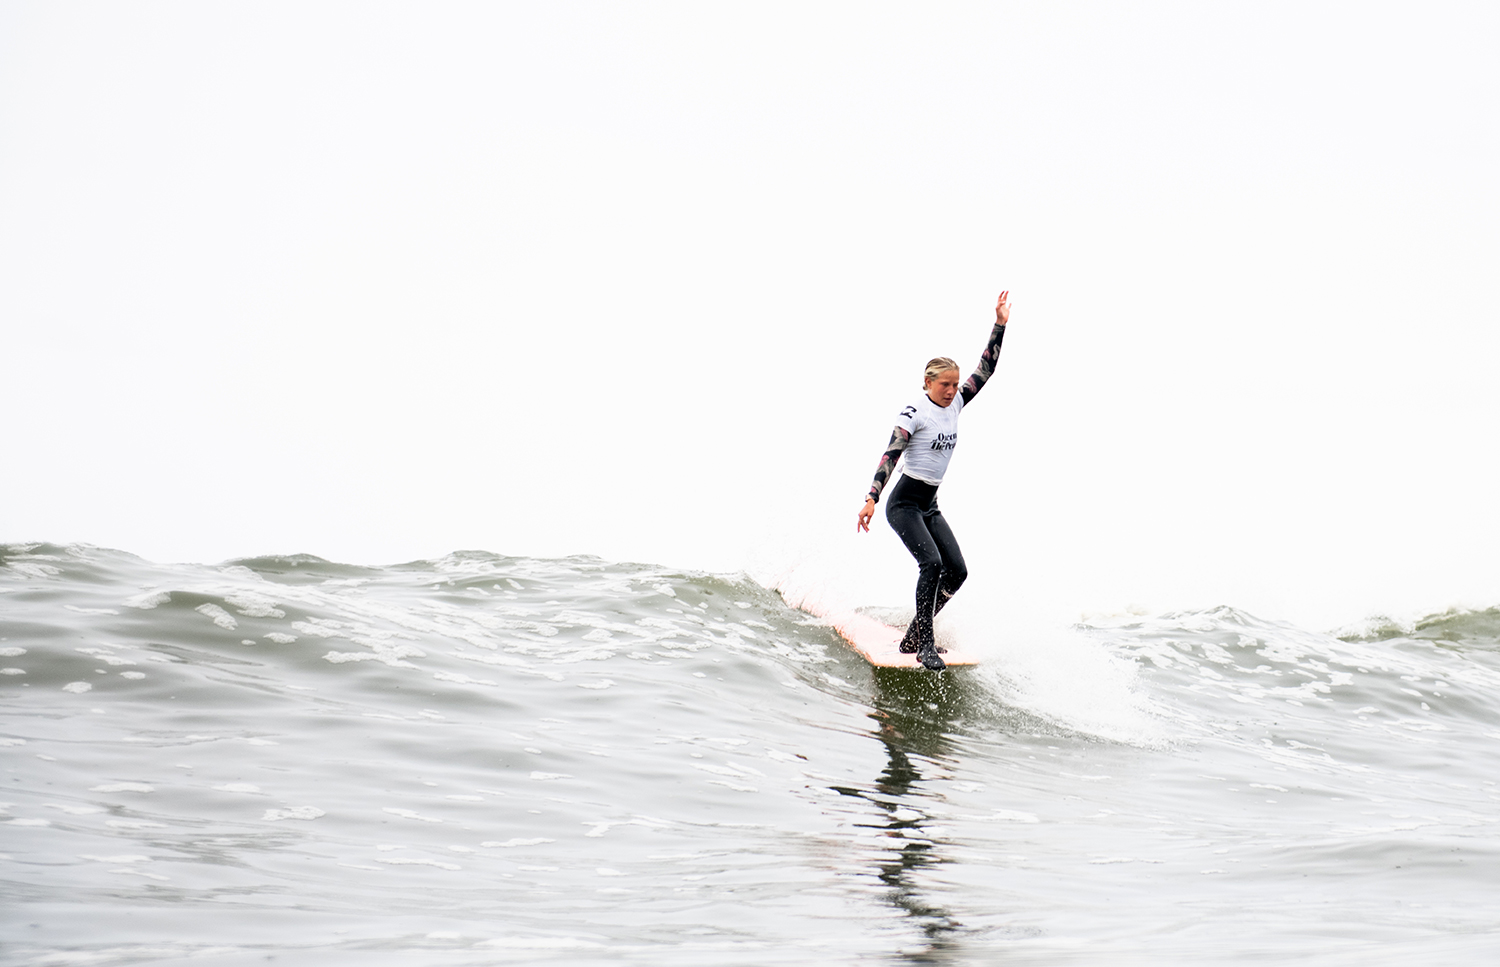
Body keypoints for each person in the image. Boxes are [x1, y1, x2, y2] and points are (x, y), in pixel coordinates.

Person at [857, 292, 1011, 670]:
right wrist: (872, 497)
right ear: (927, 382)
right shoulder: (914, 412)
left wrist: (1000, 325)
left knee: (956, 571)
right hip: (904, 503)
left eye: (956, 384)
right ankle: (925, 643)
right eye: (945, 384)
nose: (952, 390)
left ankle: (913, 634)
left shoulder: (957, 403)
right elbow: (891, 453)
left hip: (929, 505)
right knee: (931, 563)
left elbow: (986, 370)